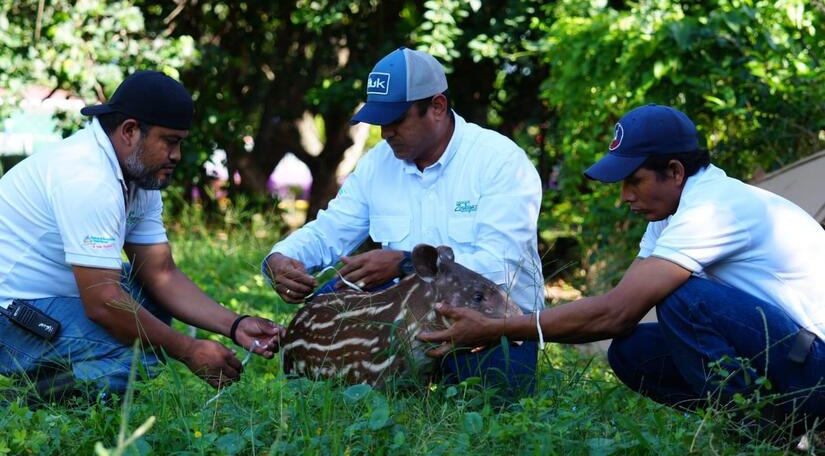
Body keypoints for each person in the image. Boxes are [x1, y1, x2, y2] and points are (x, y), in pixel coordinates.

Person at [420, 104, 825, 428]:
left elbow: (616, 312)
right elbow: (617, 308)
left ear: (675, 172)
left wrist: (499, 327)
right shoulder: (670, 213)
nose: (625, 197)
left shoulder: (713, 209)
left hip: (817, 368)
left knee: (683, 301)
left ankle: (755, 430)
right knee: (632, 352)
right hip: (791, 356)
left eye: (634, 181)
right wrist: (514, 325)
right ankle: (782, 429)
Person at [263, 47, 544, 392]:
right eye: (381, 123)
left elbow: (503, 267)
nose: (386, 133)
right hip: (402, 315)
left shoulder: (499, 161)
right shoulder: (378, 163)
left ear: (437, 106)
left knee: (495, 388)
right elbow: (331, 228)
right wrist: (282, 258)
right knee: (321, 327)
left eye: (397, 121)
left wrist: (405, 264)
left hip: (489, 318)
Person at [0, 71, 285, 400]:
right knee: (144, 353)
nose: (176, 155)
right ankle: (25, 404)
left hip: (49, 298)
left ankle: (57, 379)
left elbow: (161, 274)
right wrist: (189, 350)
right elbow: (103, 302)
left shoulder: (139, 174)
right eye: (170, 141)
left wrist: (236, 324)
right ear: (130, 131)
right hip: (10, 313)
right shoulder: (87, 179)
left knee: (149, 307)